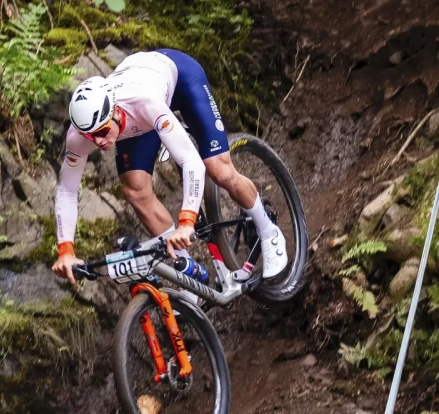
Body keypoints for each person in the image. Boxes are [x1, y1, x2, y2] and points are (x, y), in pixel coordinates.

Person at [51, 48, 288, 286]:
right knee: (135, 191)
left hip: (180, 78)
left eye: (102, 132)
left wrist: (186, 222)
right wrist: (65, 250)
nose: (98, 141)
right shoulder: (79, 135)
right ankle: (188, 273)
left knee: (219, 169)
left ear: (115, 111)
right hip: (138, 111)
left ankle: (268, 230)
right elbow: (67, 190)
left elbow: (191, 161)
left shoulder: (142, 102)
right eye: (90, 137)